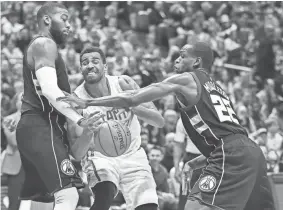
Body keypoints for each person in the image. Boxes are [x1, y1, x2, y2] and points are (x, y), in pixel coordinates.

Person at [58, 42, 274, 210]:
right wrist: (196, 161)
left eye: (182, 55)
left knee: (194, 207)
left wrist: (88, 103)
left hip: (229, 154)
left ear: (196, 62)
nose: (176, 59)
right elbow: (228, 135)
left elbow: (131, 100)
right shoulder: (216, 87)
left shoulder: (186, 79)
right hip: (251, 152)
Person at [16, 3, 97, 210]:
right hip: (41, 126)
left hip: (38, 128)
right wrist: (79, 118)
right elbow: (51, 91)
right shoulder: (45, 44)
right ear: (47, 20)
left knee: (43, 200)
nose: (69, 25)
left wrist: (83, 130)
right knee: (68, 195)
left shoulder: (43, 48)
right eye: (65, 18)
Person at [67, 46, 164, 210]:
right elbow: (76, 154)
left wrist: (131, 105)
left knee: (148, 207)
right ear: (80, 69)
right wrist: (88, 132)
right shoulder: (76, 102)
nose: (90, 65)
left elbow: (159, 121)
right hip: (99, 157)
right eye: (85, 62)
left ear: (105, 66)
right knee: (104, 196)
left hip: (133, 154)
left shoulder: (123, 84)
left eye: (95, 61)